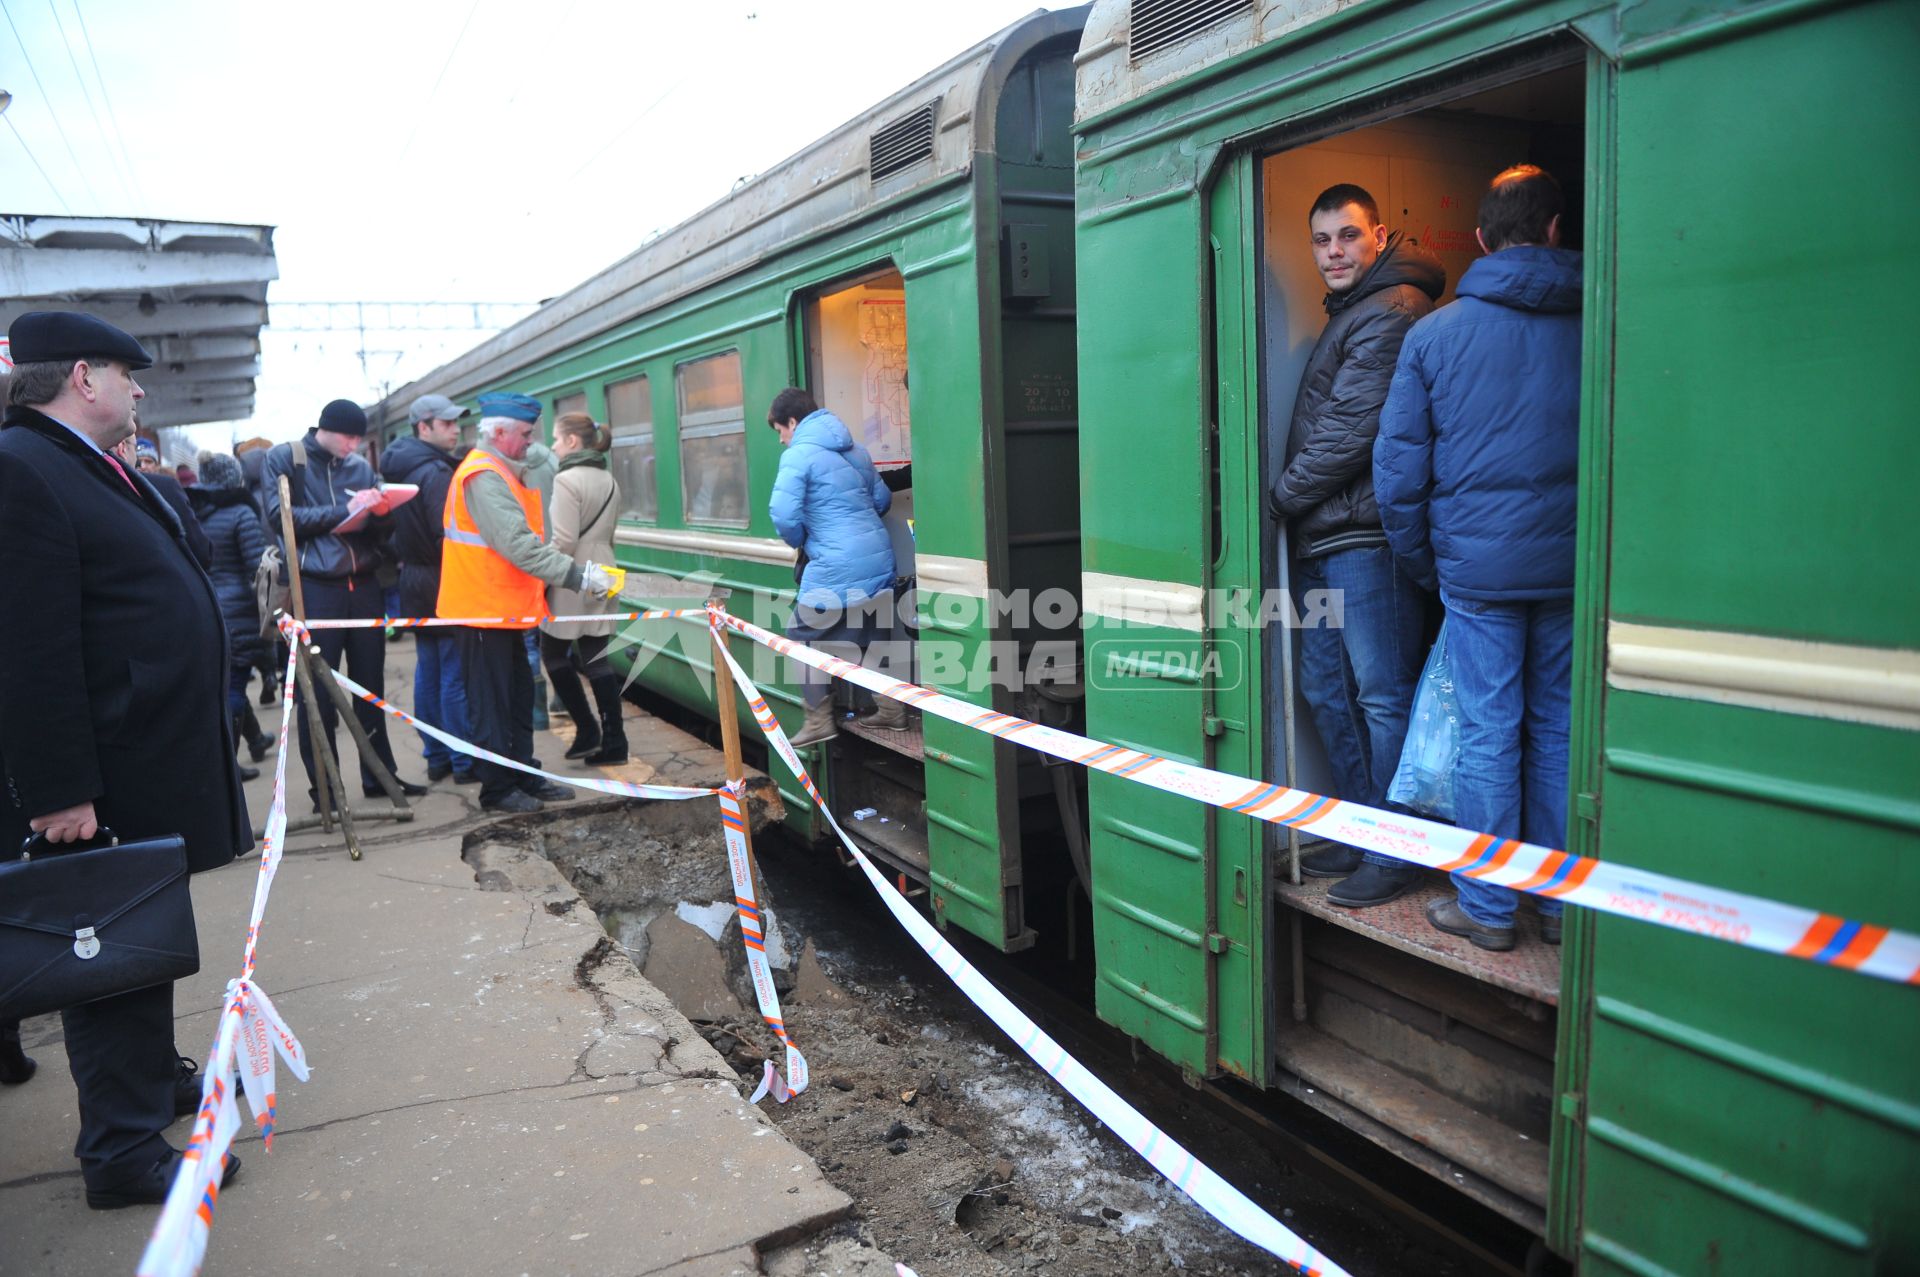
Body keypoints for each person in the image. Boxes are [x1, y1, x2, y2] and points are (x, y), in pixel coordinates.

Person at [0, 310, 249, 1207]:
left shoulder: (77, 463)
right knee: (106, 953)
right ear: (83, 377)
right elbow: (30, 648)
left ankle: (153, 1078)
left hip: (141, 757)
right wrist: (61, 790)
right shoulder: (22, 470)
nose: (141, 390)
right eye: (126, 372)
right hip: (103, 770)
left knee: (140, 941)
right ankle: (123, 1150)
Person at [1375, 165, 1582, 952]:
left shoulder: (1434, 333)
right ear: (1557, 228)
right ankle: (1563, 906)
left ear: (1480, 238)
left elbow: (1398, 477)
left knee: (1488, 728)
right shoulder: (1602, 319)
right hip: (1571, 571)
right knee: (1558, 727)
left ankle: (1489, 907)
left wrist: (1433, 567)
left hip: (1477, 575)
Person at [1270, 183, 1444, 909]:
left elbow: (1350, 433)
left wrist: (1278, 500)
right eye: (1322, 240)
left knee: (1379, 694)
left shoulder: (1392, 310)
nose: (1334, 251)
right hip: (1332, 533)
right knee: (1326, 690)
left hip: (1364, 538)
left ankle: (1398, 847)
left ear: (1379, 235)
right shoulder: (1354, 312)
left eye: (1347, 235)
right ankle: (1365, 825)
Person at [440, 393, 622, 813]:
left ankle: (523, 773)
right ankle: (498, 789)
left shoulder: (503, 471)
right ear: (500, 433)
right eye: (524, 434)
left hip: (503, 611)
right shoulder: (483, 475)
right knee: (492, 707)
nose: (531, 442)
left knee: (518, 699)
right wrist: (578, 576)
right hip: (481, 612)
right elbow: (518, 545)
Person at [264, 399, 425, 809]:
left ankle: (380, 777)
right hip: (317, 587)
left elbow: (376, 533)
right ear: (325, 429)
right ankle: (327, 789)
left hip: (364, 583)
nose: (354, 445)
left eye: (358, 437)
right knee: (317, 691)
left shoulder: (360, 468)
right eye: (348, 436)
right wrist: (344, 510)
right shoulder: (287, 458)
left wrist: (383, 513)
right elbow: (279, 517)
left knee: (371, 686)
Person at [766, 387, 899, 746]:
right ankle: (892, 711)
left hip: (837, 563)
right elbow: (882, 500)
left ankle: (818, 720)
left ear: (793, 422)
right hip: (880, 557)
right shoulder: (856, 450)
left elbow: (783, 514)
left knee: (800, 638)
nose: (781, 440)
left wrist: (803, 539)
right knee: (871, 634)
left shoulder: (799, 455)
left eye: (780, 430)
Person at [380, 393, 478, 784]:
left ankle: (436, 755)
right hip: (442, 578)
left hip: (414, 580)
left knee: (429, 670)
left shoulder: (399, 466)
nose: (456, 430)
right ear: (424, 427)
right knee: (454, 673)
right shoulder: (436, 472)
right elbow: (448, 535)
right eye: (447, 423)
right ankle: (463, 760)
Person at [539, 412, 630, 765]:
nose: (554, 445)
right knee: (596, 657)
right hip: (605, 568)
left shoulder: (566, 480)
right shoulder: (608, 479)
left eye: (557, 439)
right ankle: (614, 741)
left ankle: (588, 729)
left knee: (552, 653)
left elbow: (563, 540)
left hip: (573, 574)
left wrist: (538, 568)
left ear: (573, 442)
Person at [188, 452, 277, 780]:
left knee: (226, 682)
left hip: (208, 608)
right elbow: (260, 569)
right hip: (240, 612)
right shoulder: (241, 513)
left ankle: (247, 744)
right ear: (232, 479)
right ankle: (227, 764)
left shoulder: (192, 511)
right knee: (235, 686)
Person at [133, 438, 213, 569]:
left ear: (157, 465)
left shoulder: (169, 489)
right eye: (138, 462)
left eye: (148, 461)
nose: (143, 467)